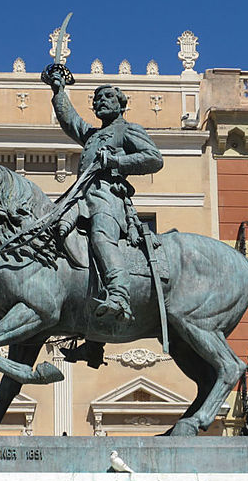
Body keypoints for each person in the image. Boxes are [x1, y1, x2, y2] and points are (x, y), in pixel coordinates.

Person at [45, 66, 163, 322]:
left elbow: (154, 158)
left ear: (121, 105)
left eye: (107, 97)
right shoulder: (92, 136)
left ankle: (119, 297)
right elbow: (70, 120)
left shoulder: (127, 130)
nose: (100, 102)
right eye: (96, 100)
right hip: (78, 199)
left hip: (107, 198)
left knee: (101, 237)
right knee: (50, 231)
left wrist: (116, 162)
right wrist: (59, 90)